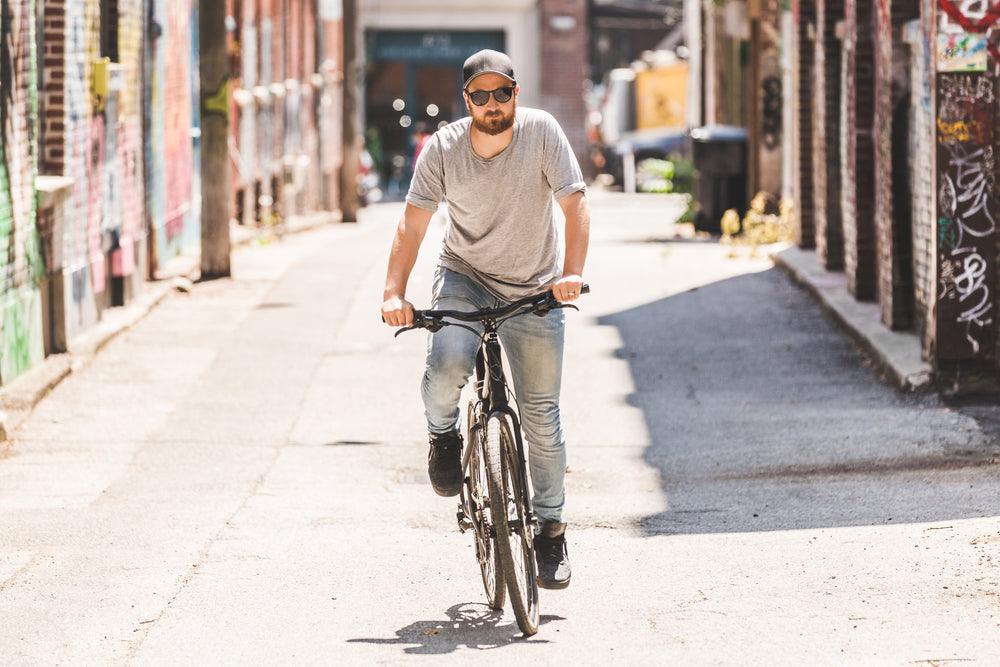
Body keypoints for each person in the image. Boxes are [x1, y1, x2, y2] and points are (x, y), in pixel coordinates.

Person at [381, 49, 590, 590]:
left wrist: (571, 272)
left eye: (502, 93)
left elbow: (575, 204)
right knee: (447, 359)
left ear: (516, 93)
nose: (493, 103)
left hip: (536, 285)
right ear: (466, 100)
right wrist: (392, 292)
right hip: (465, 275)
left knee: (542, 415)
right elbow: (412, 226)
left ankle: (550, 532)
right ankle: (443, 434)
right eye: (481, 95)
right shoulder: (445, 148)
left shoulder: (542, 133)